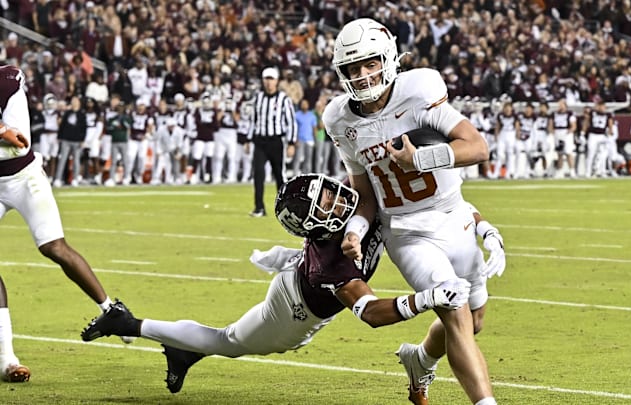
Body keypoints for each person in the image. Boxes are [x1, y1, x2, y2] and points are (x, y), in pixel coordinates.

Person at [78, 174, 501, 399]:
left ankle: (182, 353)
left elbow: (437, 203)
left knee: (222, 340)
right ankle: (127, 322)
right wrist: (427, 298)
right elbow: (371, 314)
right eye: (328, 204)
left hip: (299, 273)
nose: (340, 199)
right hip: (294, 309)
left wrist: (482, 228)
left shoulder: (355, 208)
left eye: (330, 192)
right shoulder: (331, 263)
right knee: (227, 341)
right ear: (321, 225)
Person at [324, 19, 499, 405]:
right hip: (406, 232)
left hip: (454, 216)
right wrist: (354, 229)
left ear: (387, 59)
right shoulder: (340, 119)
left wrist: (421, 158)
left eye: (370, 64)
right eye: (353, 69)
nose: (363, 75)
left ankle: (420, 359)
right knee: (455, 312)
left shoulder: (419, 90)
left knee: (475, 320)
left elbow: (477, 147)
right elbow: (365, 195)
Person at [0, 64, 132, 383]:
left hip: (24, 176)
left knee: (54, 247)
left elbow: (19, 142)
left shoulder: (8, 78)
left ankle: (110, 309)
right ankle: (7, 359)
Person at [246, 67, 297, 217]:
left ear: (276, 81)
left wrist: (291, 143)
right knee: (258, 175)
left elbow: (291, 122)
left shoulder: (283, 99)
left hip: (276, 141)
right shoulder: (258, 98)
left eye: (271, 79)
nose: (269, 83)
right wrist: (248, 140)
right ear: (263, 81)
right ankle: (259, 207)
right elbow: (253, 120)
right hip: (260, 141)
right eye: (266, 79)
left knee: (279, 176)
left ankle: (284, 209)